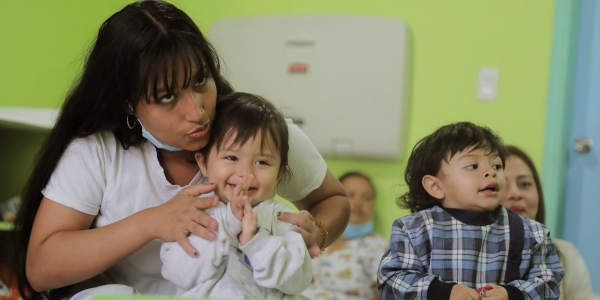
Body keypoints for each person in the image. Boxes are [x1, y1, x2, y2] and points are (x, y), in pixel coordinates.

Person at [5, 1, 350, 299]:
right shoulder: (96, 153)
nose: (197, 111)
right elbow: (40, 268)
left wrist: (316, 231)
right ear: (128, 104)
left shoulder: (261, 137)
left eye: (200, 81)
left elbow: (334, 200)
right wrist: (150, 223)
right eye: (167, 96)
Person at [377, 122, 564, 300]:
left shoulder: (532, 233)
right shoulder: (413, 229)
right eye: (473, 166)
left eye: (496, 166)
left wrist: (513, 294)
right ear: (435, 186)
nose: (491, 172)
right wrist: (442, 292)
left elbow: (549, 281)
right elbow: (390, 279)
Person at [160, 92, 312, 299]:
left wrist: (257, 242)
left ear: (279, 175)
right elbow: (178, 274)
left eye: (262, 162)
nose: (245, 172)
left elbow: (298, 280)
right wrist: (228, 226)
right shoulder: (192, 212)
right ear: (203, 163)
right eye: (231, 157)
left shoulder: (282, 217)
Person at [501, 145, 600, 300]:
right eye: (502, 185)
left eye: (525, 184)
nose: (515, 193)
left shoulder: (566, 255)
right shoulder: (463, 256)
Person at [302, 171, 387, 300]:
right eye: (350, 195)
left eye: (366, 197)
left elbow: (388, 293)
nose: (358, 202)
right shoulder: (313, 237)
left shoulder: (376, 246)